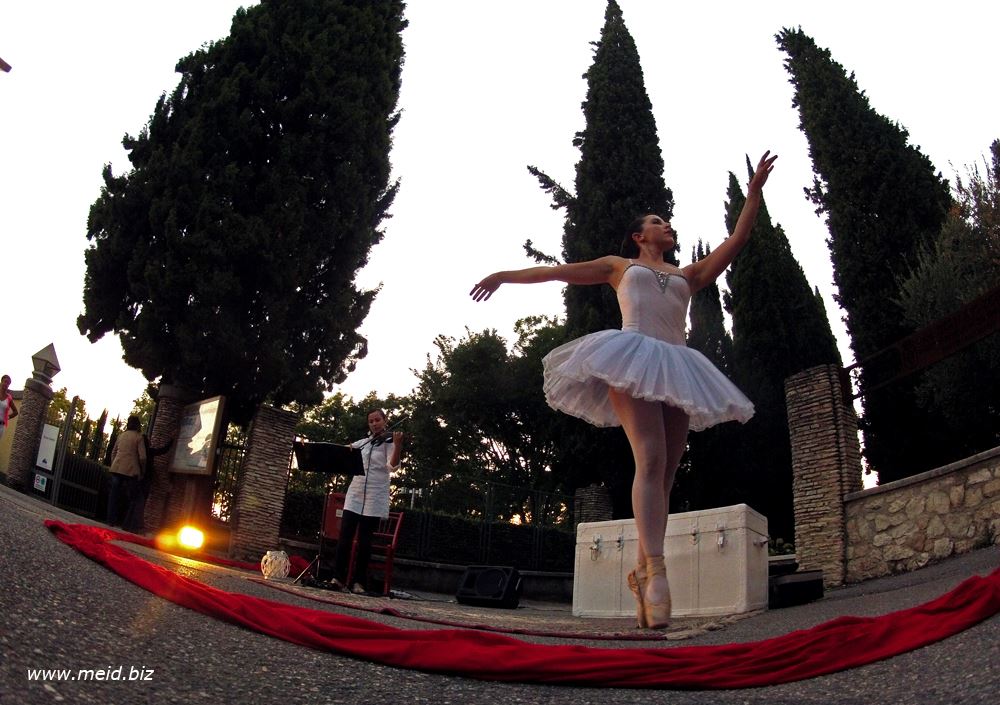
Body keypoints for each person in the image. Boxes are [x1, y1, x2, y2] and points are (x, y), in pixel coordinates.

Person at [471, 151, 777, 628]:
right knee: (650, 459)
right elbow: (556, 271)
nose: (666, 225)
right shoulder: (619, 266)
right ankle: (657, 572)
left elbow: (737, 240)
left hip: (678, 364)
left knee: (667, 473)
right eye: (657, 222)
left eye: (666, 221)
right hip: (632, 357)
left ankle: (641, 572)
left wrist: (752, 193)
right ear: (640, 236)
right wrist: (503, 276)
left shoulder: (688, 275)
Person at [329, 408, 403, 594]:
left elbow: (393, 467)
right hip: (355, 493)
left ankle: (359, 582)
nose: (374, 424)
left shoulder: (389, 444)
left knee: (365, 541)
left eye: (378, 420)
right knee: (345, 536)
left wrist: (398, 445)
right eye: (371, 421)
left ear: (385, 420)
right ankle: (337, 578)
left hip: (375, 495)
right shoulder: (363, 443)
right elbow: (344, 453)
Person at [122, 430, 174, 534]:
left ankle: (127, 525)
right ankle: (135, 527)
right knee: (140, 503)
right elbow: (163, 450)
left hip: (134, 479)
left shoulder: (136, 453)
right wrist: (172, 440)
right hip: (144, 480)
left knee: (133, 503)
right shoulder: (149, 452)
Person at [107, 415, 147, 528]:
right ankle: (126, 524)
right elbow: (143, 457)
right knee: (132, 498)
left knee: (114, 496)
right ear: (138, 425)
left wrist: (114, 463)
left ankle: (110, 520)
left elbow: (113, 452)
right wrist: (142, 470)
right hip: (131, 471)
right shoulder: (139, 437)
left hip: (117, 468)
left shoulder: (121, 435)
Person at [0, 375, 18, 440]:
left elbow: (16, 412)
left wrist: (7, 417)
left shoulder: (9, 398)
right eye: (5, 382)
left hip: (1, 426)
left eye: (8, 383)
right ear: (1, 381)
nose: (6, 384)